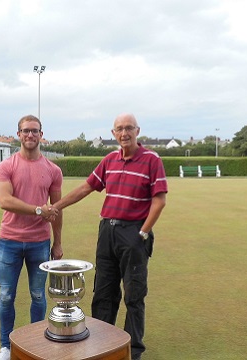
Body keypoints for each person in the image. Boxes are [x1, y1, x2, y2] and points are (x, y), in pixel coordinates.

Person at [52, 113, 168, 360]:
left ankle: (132, 350)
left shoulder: (151, 160)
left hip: (134, 232)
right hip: (107, 231)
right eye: (119, 129)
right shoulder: (110, 160)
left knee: (134, 294)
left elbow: (159, 200)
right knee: (104, 292)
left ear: (138, 131)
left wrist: (143, 232)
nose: (124, 133)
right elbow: (86, 187)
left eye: (129, 128)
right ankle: (101, 345)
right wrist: (57, 206)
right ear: (113, 133)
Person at [0, 115, 63, 360]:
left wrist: (58, 242)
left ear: (41, 134)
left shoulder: (53, 169)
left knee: (37, 295)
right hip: (9, 240)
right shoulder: (6, 166)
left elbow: (56, 208)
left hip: (39, 242)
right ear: (18, 134)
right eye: (25, 131)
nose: (30, 135)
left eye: (35, 131)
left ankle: (34, 344)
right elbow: (5, 201)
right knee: (6, 295)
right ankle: (6, 346)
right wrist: (36, 210)